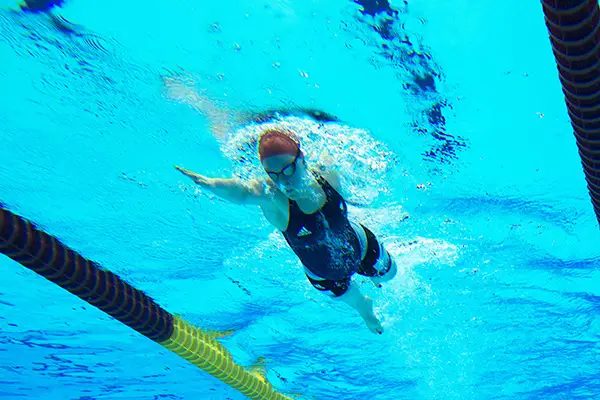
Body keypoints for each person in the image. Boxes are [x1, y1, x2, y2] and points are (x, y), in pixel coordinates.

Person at [174, 126, 397, 334]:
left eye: (288, 169)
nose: (284, 181)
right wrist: (209, 183)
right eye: (273, 174)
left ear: (302, 159)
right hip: (325, 275)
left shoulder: (327, 175)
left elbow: (335, 147)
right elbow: (242, 192)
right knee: (357, 302)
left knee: (390, 274)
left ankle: (374, 276)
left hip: (362, 245)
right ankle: (365, 311)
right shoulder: (274, 200)